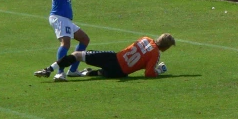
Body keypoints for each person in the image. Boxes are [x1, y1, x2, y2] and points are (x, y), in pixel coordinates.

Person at [36, 0, 92, 81]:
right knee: (65, 43)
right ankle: (60, 72)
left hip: (66, 18)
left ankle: (72, 70)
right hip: (58, 17)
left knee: (84, 39)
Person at [35, 34, 174, 81]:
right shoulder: (156, 54)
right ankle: (86, 73)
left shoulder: (145, 38)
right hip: (120, 72)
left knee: (77, 55)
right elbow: (149, 73)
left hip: (113, 58)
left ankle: (49, 69)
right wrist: (159, 71)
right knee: (102, 73)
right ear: (166, 47)